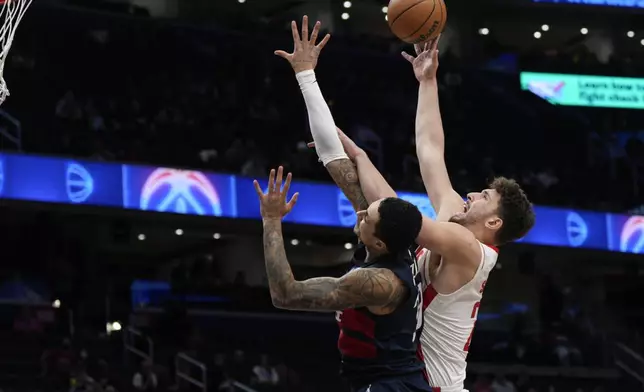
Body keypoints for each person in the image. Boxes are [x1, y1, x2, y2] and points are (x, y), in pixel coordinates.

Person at [297, 25, 534, 392]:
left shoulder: (470, 249)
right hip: (407, 380)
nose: (471, 194)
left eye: (484, 197)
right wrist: (427, 82)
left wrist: (357, 157)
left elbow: (395, 213)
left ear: (493, 221)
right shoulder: (453, 224)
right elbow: (429, 152)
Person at [254, 166, 428, 392]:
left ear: (379, 244)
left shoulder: (380, 283)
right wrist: (328, 140)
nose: (360, 214)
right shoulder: (393, 238)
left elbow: (285, 294)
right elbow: (353, 187)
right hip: (385, 378)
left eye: (367, 218)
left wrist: (270, 219)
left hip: (389, 384)